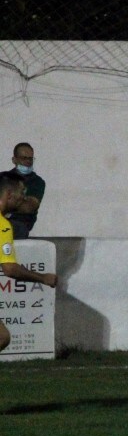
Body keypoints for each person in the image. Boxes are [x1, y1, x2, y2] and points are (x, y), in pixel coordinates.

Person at [0, 172, 58, 350]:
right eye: (21, 194)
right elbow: (9, 269)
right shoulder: (2, 226)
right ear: (9, 195)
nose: (23, 199)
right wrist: (43, 278)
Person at [5, 142, 45, 239]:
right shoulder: (4, 177)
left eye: (30, 158)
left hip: (20, 224)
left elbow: (28, 207)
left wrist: (6, 201)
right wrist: (20, 200)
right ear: (14, 160)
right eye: (24, 158)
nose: (28, 161)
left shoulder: (37, 182)